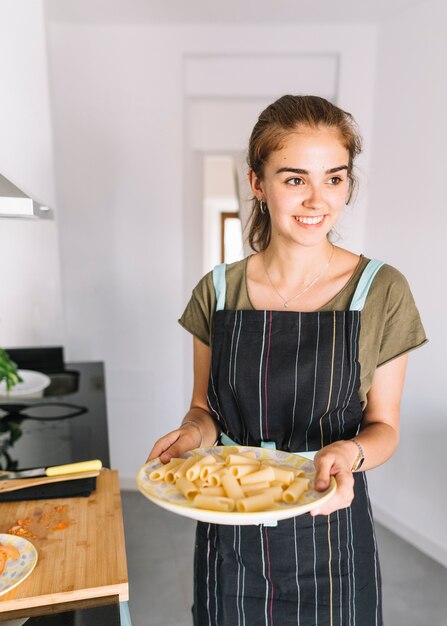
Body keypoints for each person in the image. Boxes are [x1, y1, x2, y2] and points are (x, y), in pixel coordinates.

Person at [148, 95, 427, 626]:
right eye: (295, 179)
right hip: (229, 530)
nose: (317, 200)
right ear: (257, 183)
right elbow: (203, 410)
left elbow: (384, 427)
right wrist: (190, 435)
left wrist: (348, 453)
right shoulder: (219, 291)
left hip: (331, 531)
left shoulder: (382, 290)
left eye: (335, 179)